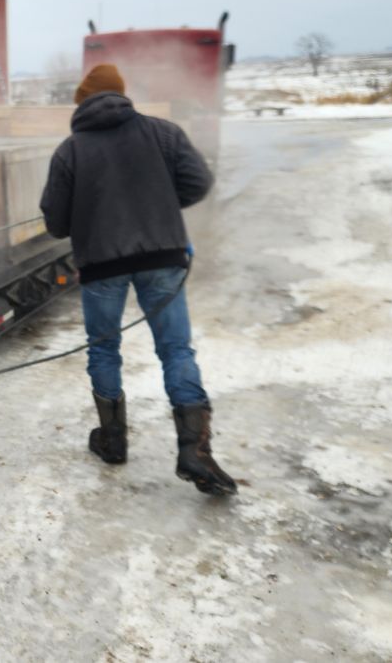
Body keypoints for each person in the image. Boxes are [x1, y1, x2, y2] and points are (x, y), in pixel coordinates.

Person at [39, 64, 237, 496]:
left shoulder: (70, 151)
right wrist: (164, 207)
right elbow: (198, 184)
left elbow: (55, 223)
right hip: (164, 258)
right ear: (122, 95)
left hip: (100, 266)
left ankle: (112, 442)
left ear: (82, 103)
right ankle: (195, 451)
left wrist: (87, 216)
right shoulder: (164, 134)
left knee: (104, 349)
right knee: (175, 349)